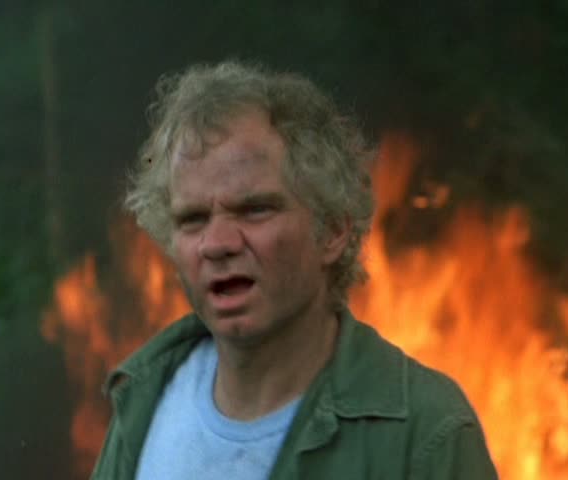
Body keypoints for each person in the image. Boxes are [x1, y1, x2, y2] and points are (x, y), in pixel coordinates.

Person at [91, 61, 498, 480]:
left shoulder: (425, 434)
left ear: (333, 231)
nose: (217, 243)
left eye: (254, 210)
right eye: (193, 219)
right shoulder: (143, 399)